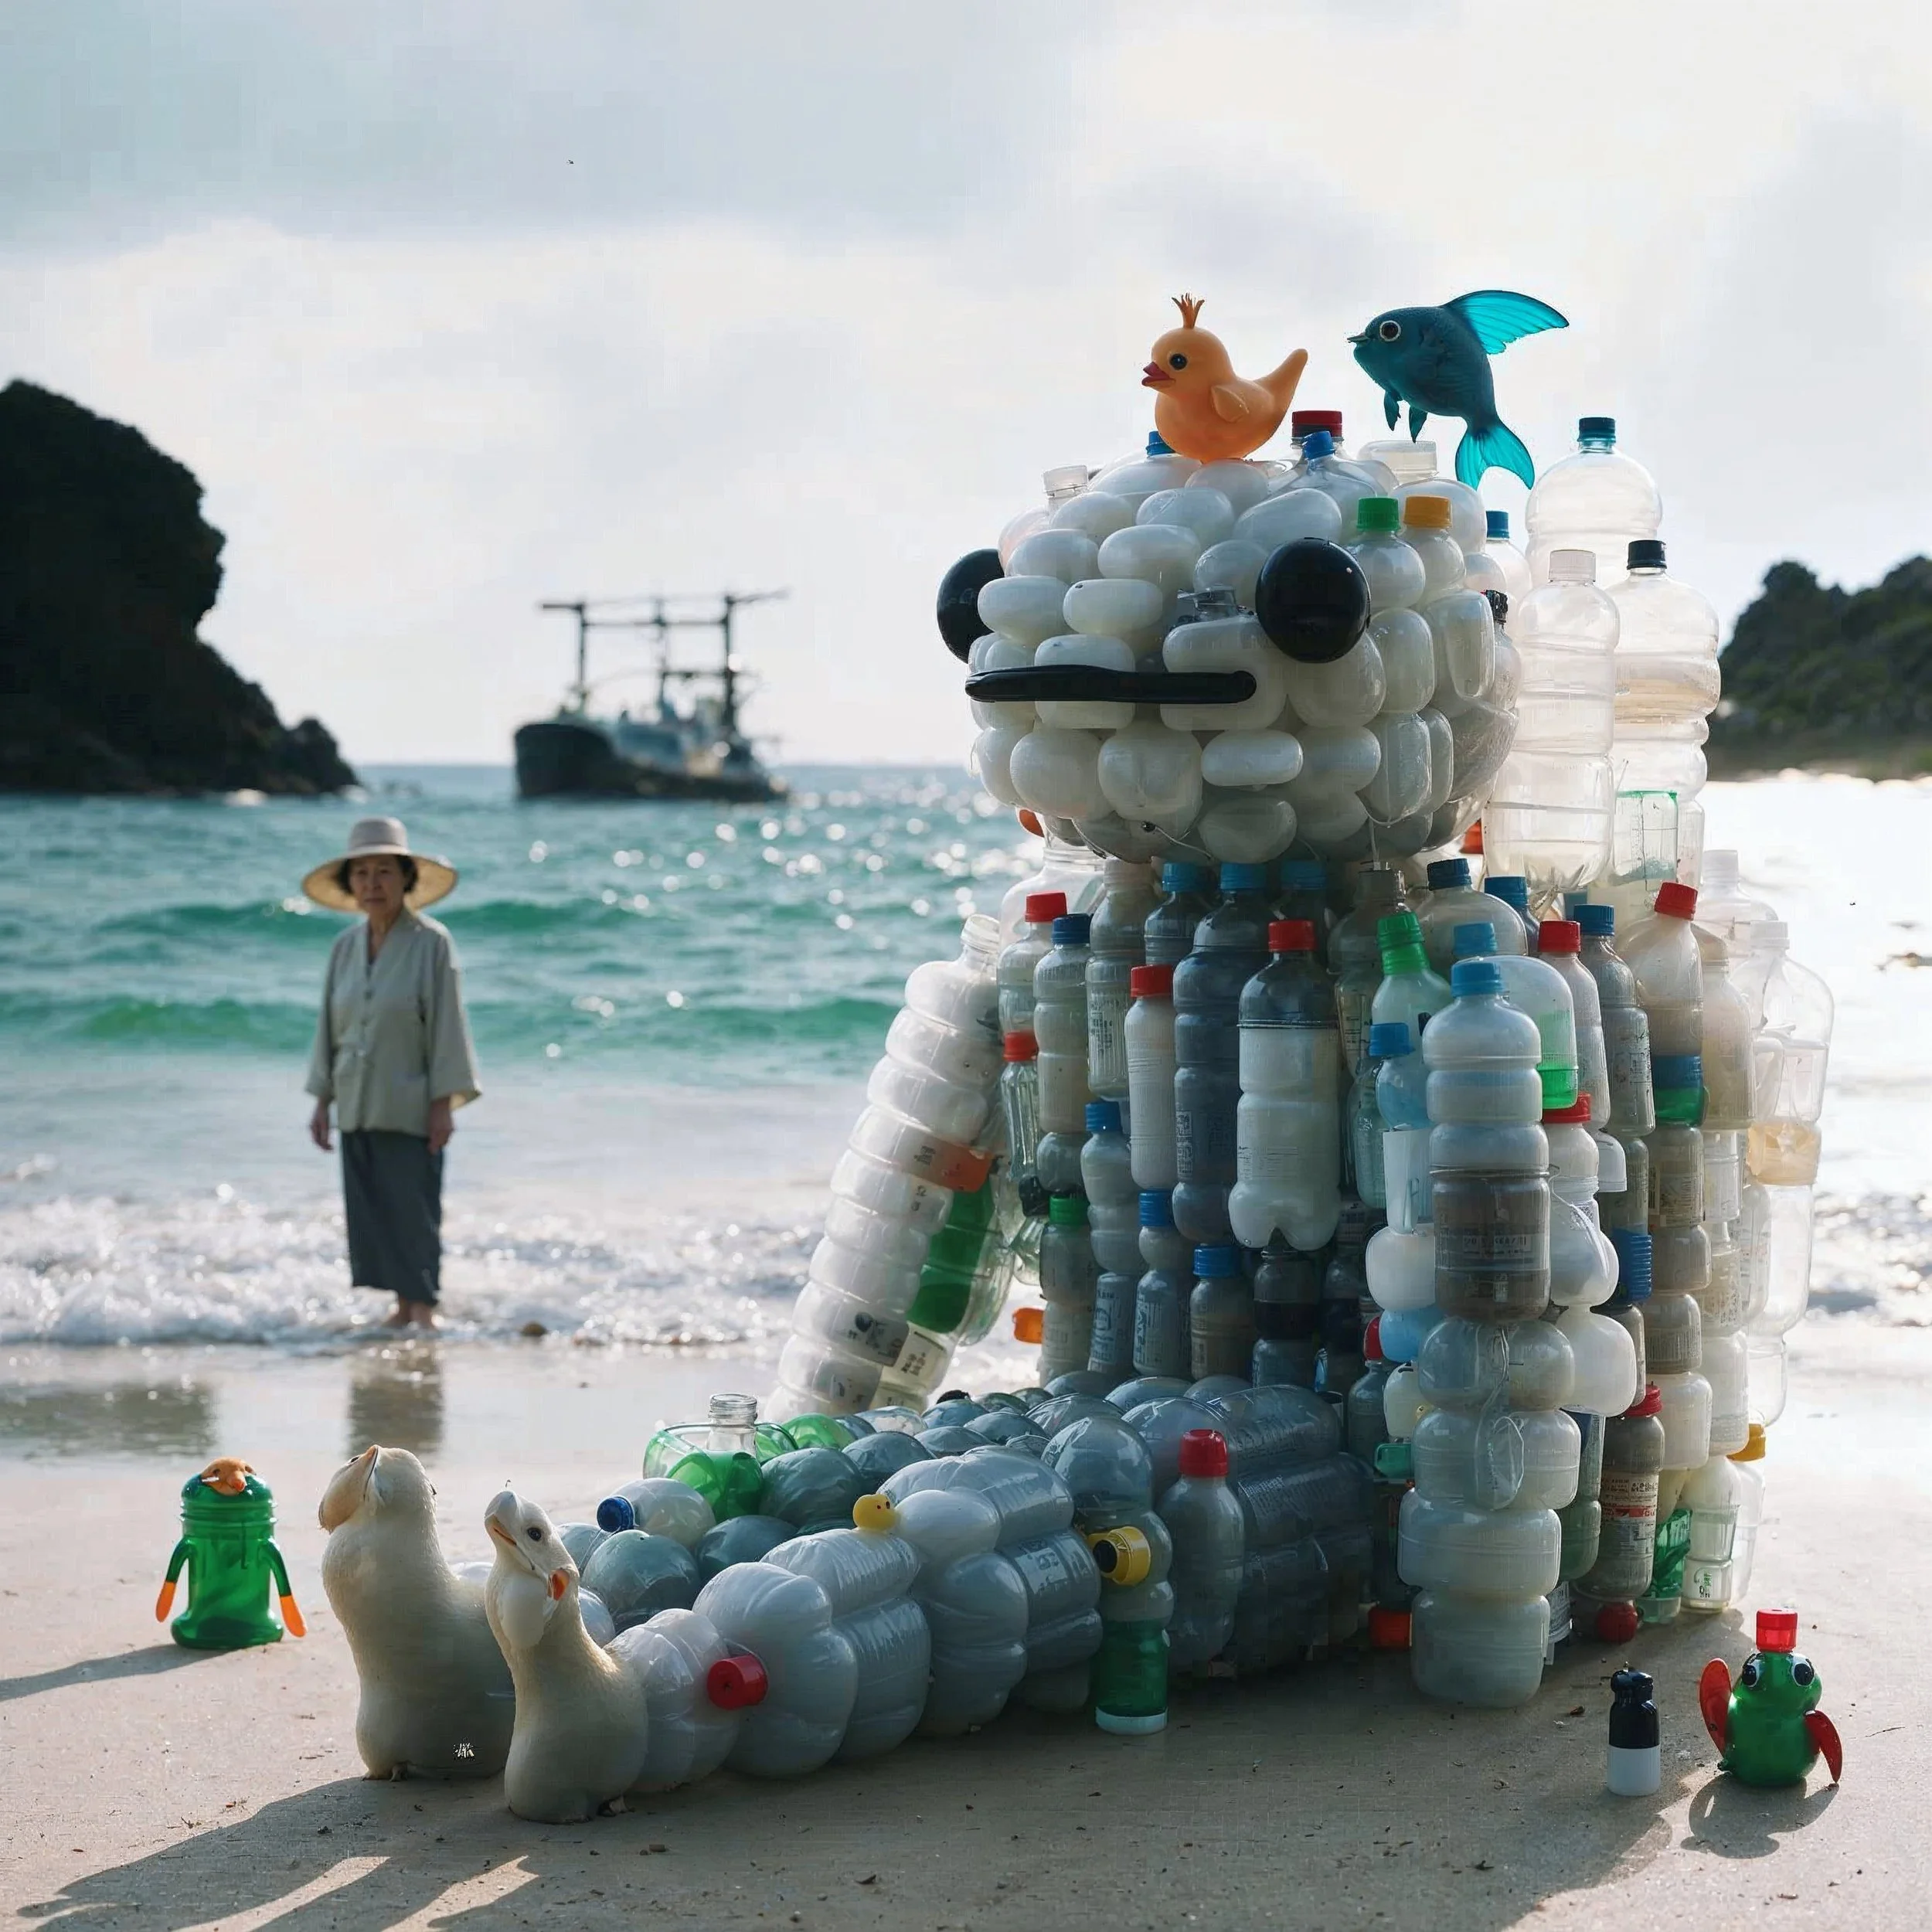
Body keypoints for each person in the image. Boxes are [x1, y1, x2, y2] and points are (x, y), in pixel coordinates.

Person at [303, 817, 480, 1330]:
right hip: (356, 1100)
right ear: (348, 884)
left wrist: (443, 1102)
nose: (372, 884)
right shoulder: (344, 948)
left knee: (413, 1208)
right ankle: (401, 1310)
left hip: (411, 1103)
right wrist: (321, 1099)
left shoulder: (432, 944)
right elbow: (327, 1027)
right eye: (361, 874)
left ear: (406, 879)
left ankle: (423, 1309)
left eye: (384, 872)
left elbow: (448, 1025)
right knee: (372, 1210)